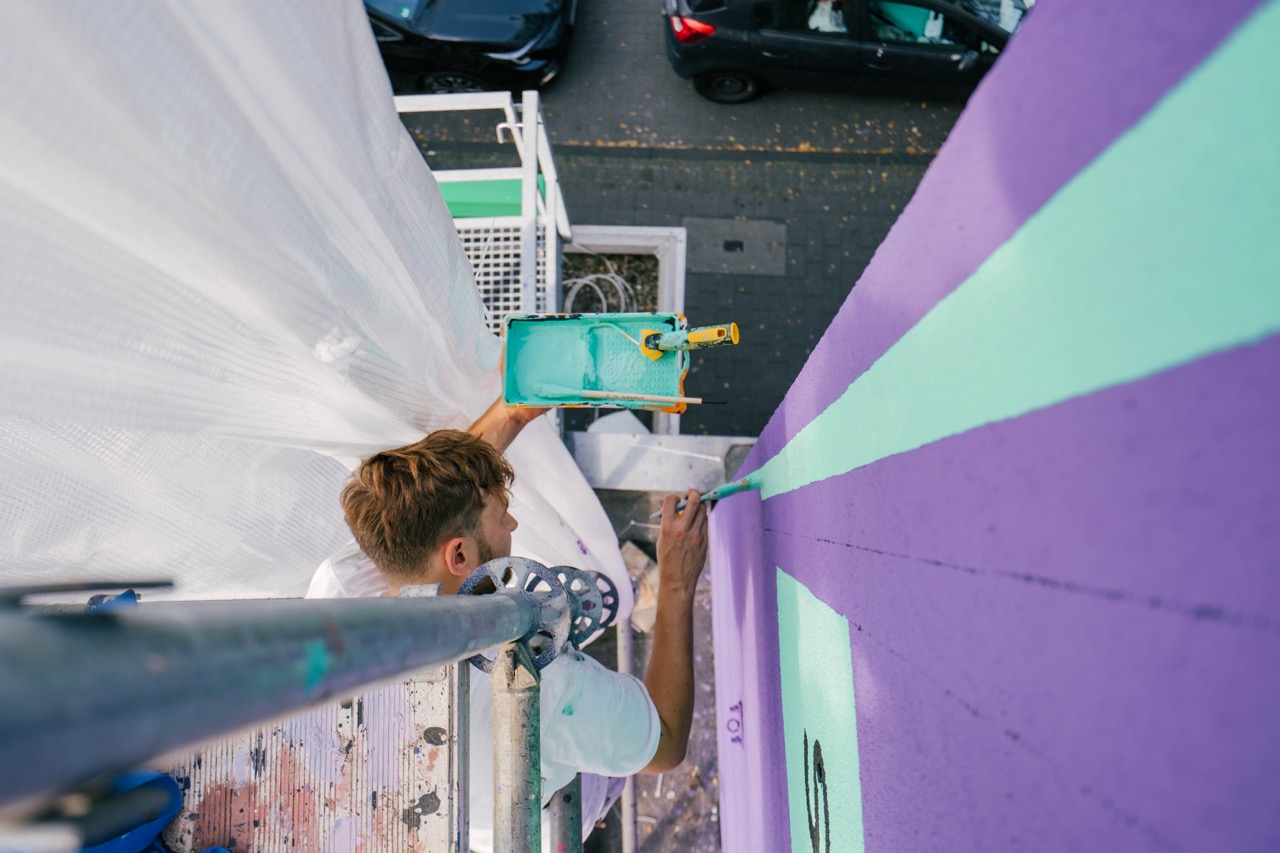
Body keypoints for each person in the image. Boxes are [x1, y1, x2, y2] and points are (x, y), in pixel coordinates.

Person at [307, 397, 708, 850]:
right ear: (459, 555)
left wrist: (512, 413)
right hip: (525, 818)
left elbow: (426, 509)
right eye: (502, 517)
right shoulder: (543, 681)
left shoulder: (339, 592)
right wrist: (677, 581)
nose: (513, 521)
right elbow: (668, 742)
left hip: (442, 822)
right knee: (603, 762)